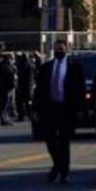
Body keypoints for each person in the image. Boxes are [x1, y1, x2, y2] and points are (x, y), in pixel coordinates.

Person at [34, 40, 85, 183]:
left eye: (61, 49)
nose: (59, 52)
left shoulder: (74, 67)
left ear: (66, 50)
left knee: (64, 141)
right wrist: (36, 109)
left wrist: (80, 109)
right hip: (50, 108)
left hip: (66, 109)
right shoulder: (47, 67)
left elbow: (80, 90)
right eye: (56, 49)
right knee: (50, 140)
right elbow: (39, 90)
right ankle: (57, 165)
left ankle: (64, 173)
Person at [0, 53, 18, 126]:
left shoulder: (7, 66)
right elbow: (8, 76)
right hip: (5, 87)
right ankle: (4, 119)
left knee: (7, 104)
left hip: (8, 87)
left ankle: (6, 118)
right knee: (5, 104)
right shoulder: (5, 66)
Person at [15, 53, 34, 122]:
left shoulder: (20, 65)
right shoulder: (29, 66)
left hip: (22, 87)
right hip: (27, 87)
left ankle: (21, 116)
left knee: (21, 103)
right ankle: (30, 116)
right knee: (28, 103)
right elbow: (30, 78)